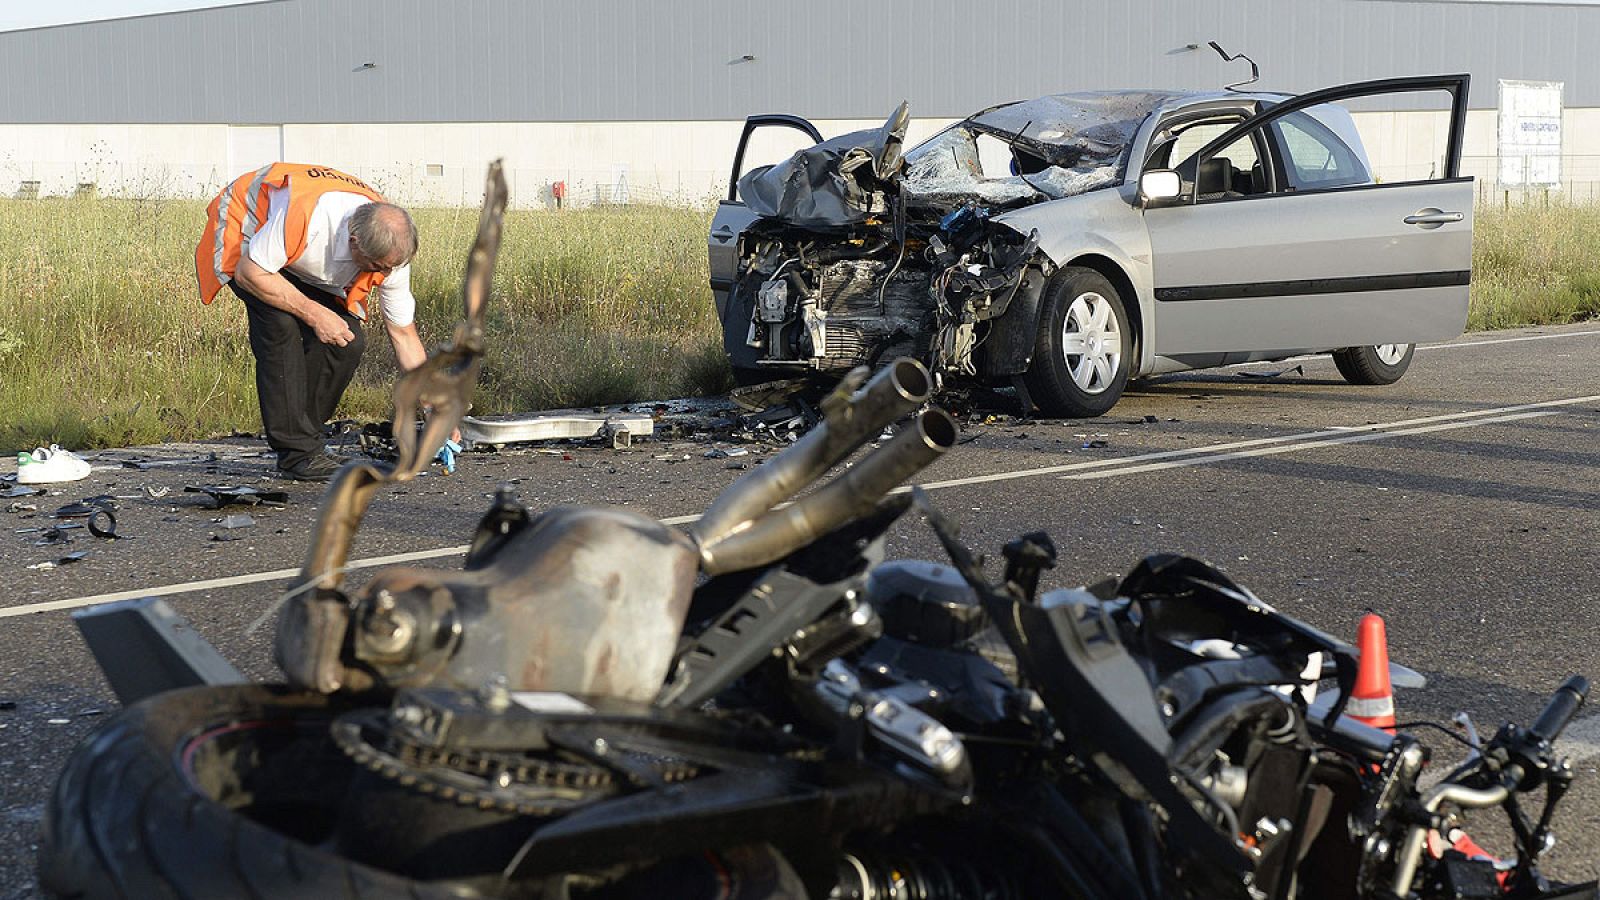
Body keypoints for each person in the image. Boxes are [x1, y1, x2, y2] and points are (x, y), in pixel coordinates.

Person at [195, 164, 427, 481]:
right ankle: (297, 455)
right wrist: (315, 314)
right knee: (281, 327)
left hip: (299, 259)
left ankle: (307, 438)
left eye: (389, 268)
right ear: (354, 241)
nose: (382, 276)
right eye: (376, 267)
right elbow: (251, 273)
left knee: (347, 341)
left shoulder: (390, 254)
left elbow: (403, 334)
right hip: (250, 239)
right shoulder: (309, 218)